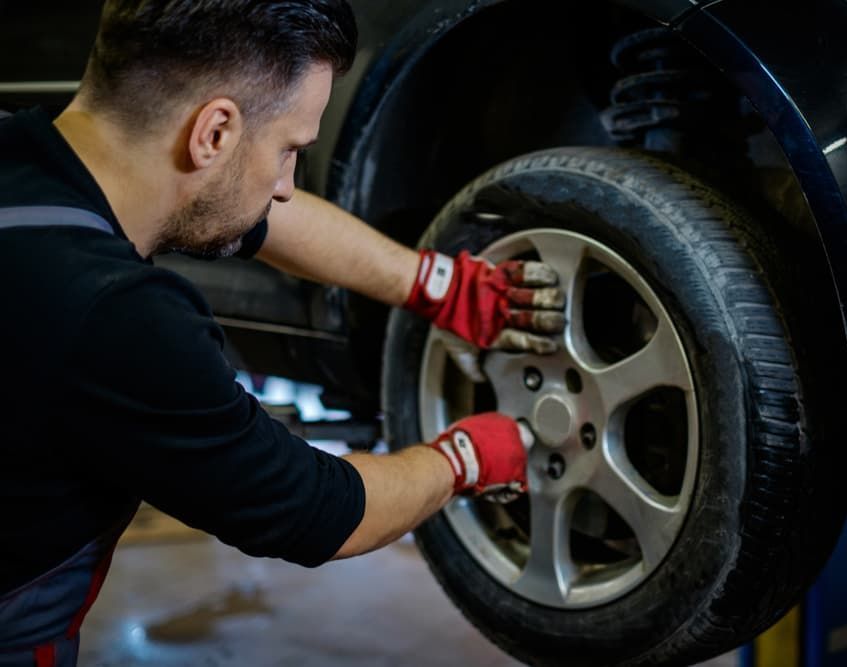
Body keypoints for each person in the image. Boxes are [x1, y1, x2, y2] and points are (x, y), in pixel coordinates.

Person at [0, 1, 566, 664]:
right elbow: (318, 508)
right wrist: (462, 458)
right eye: (291, 150)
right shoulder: (120, 319)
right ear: (212, 133)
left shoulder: (26, 158)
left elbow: (256, 214)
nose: (289, 185)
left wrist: (436, 283)